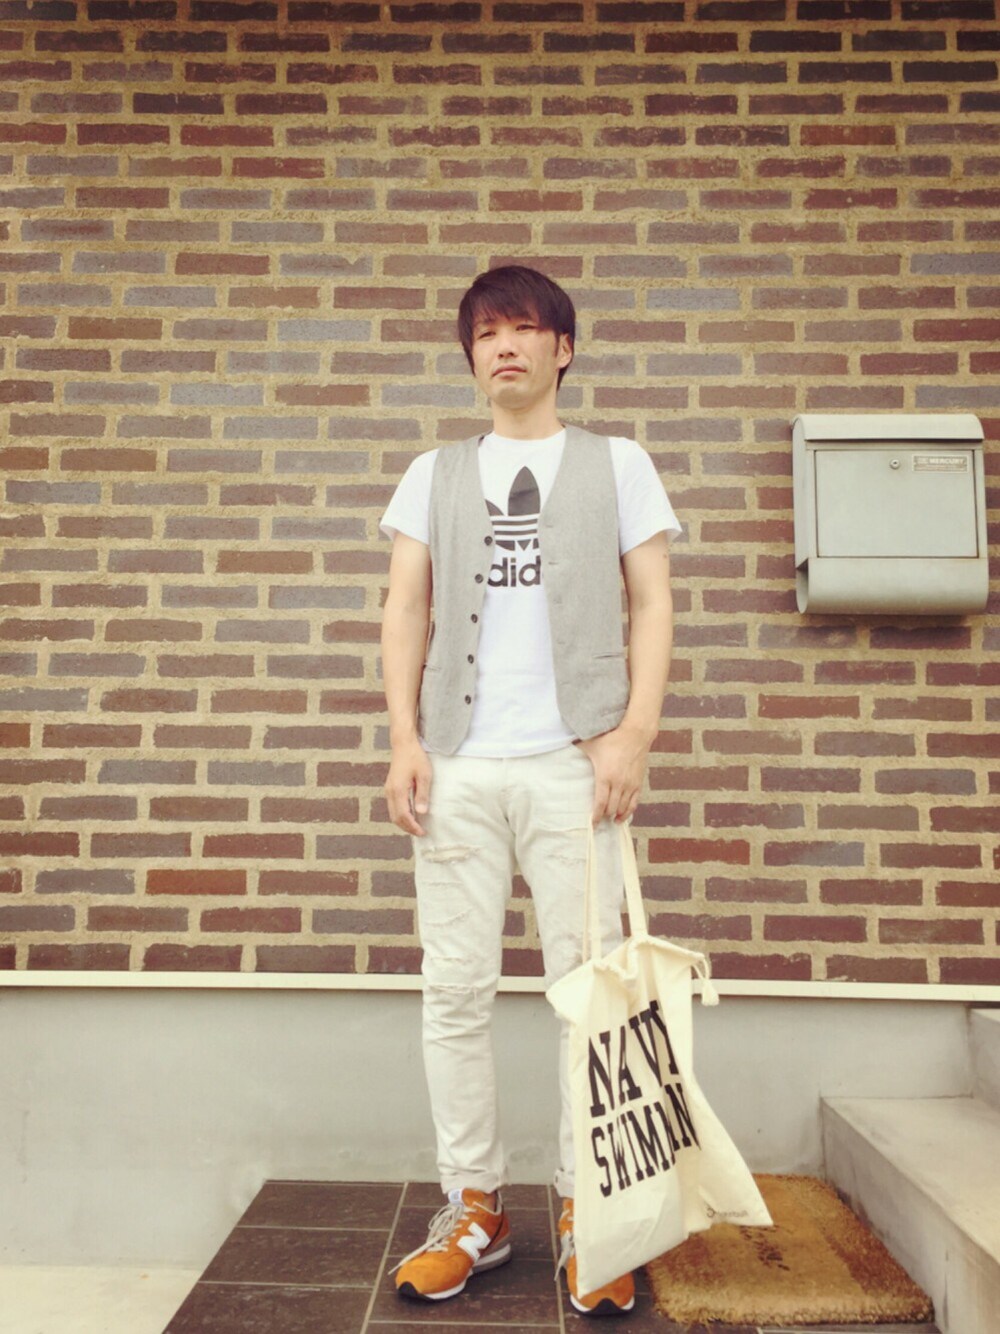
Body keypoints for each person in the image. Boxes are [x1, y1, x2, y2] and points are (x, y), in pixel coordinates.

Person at [379, 265, 681, 1317]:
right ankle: (475, 1207)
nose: (504, 345)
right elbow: (404, 607)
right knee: (454, 992)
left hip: (572, 761)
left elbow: (652, 603)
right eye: (486, 332)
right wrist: (404, 739)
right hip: (458, 760)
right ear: (471, 356)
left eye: (524, 328)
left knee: (589, 995)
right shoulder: (434, 473)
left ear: (563, 348)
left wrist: (633, 733)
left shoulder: (617, 463)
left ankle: (588, 1208)